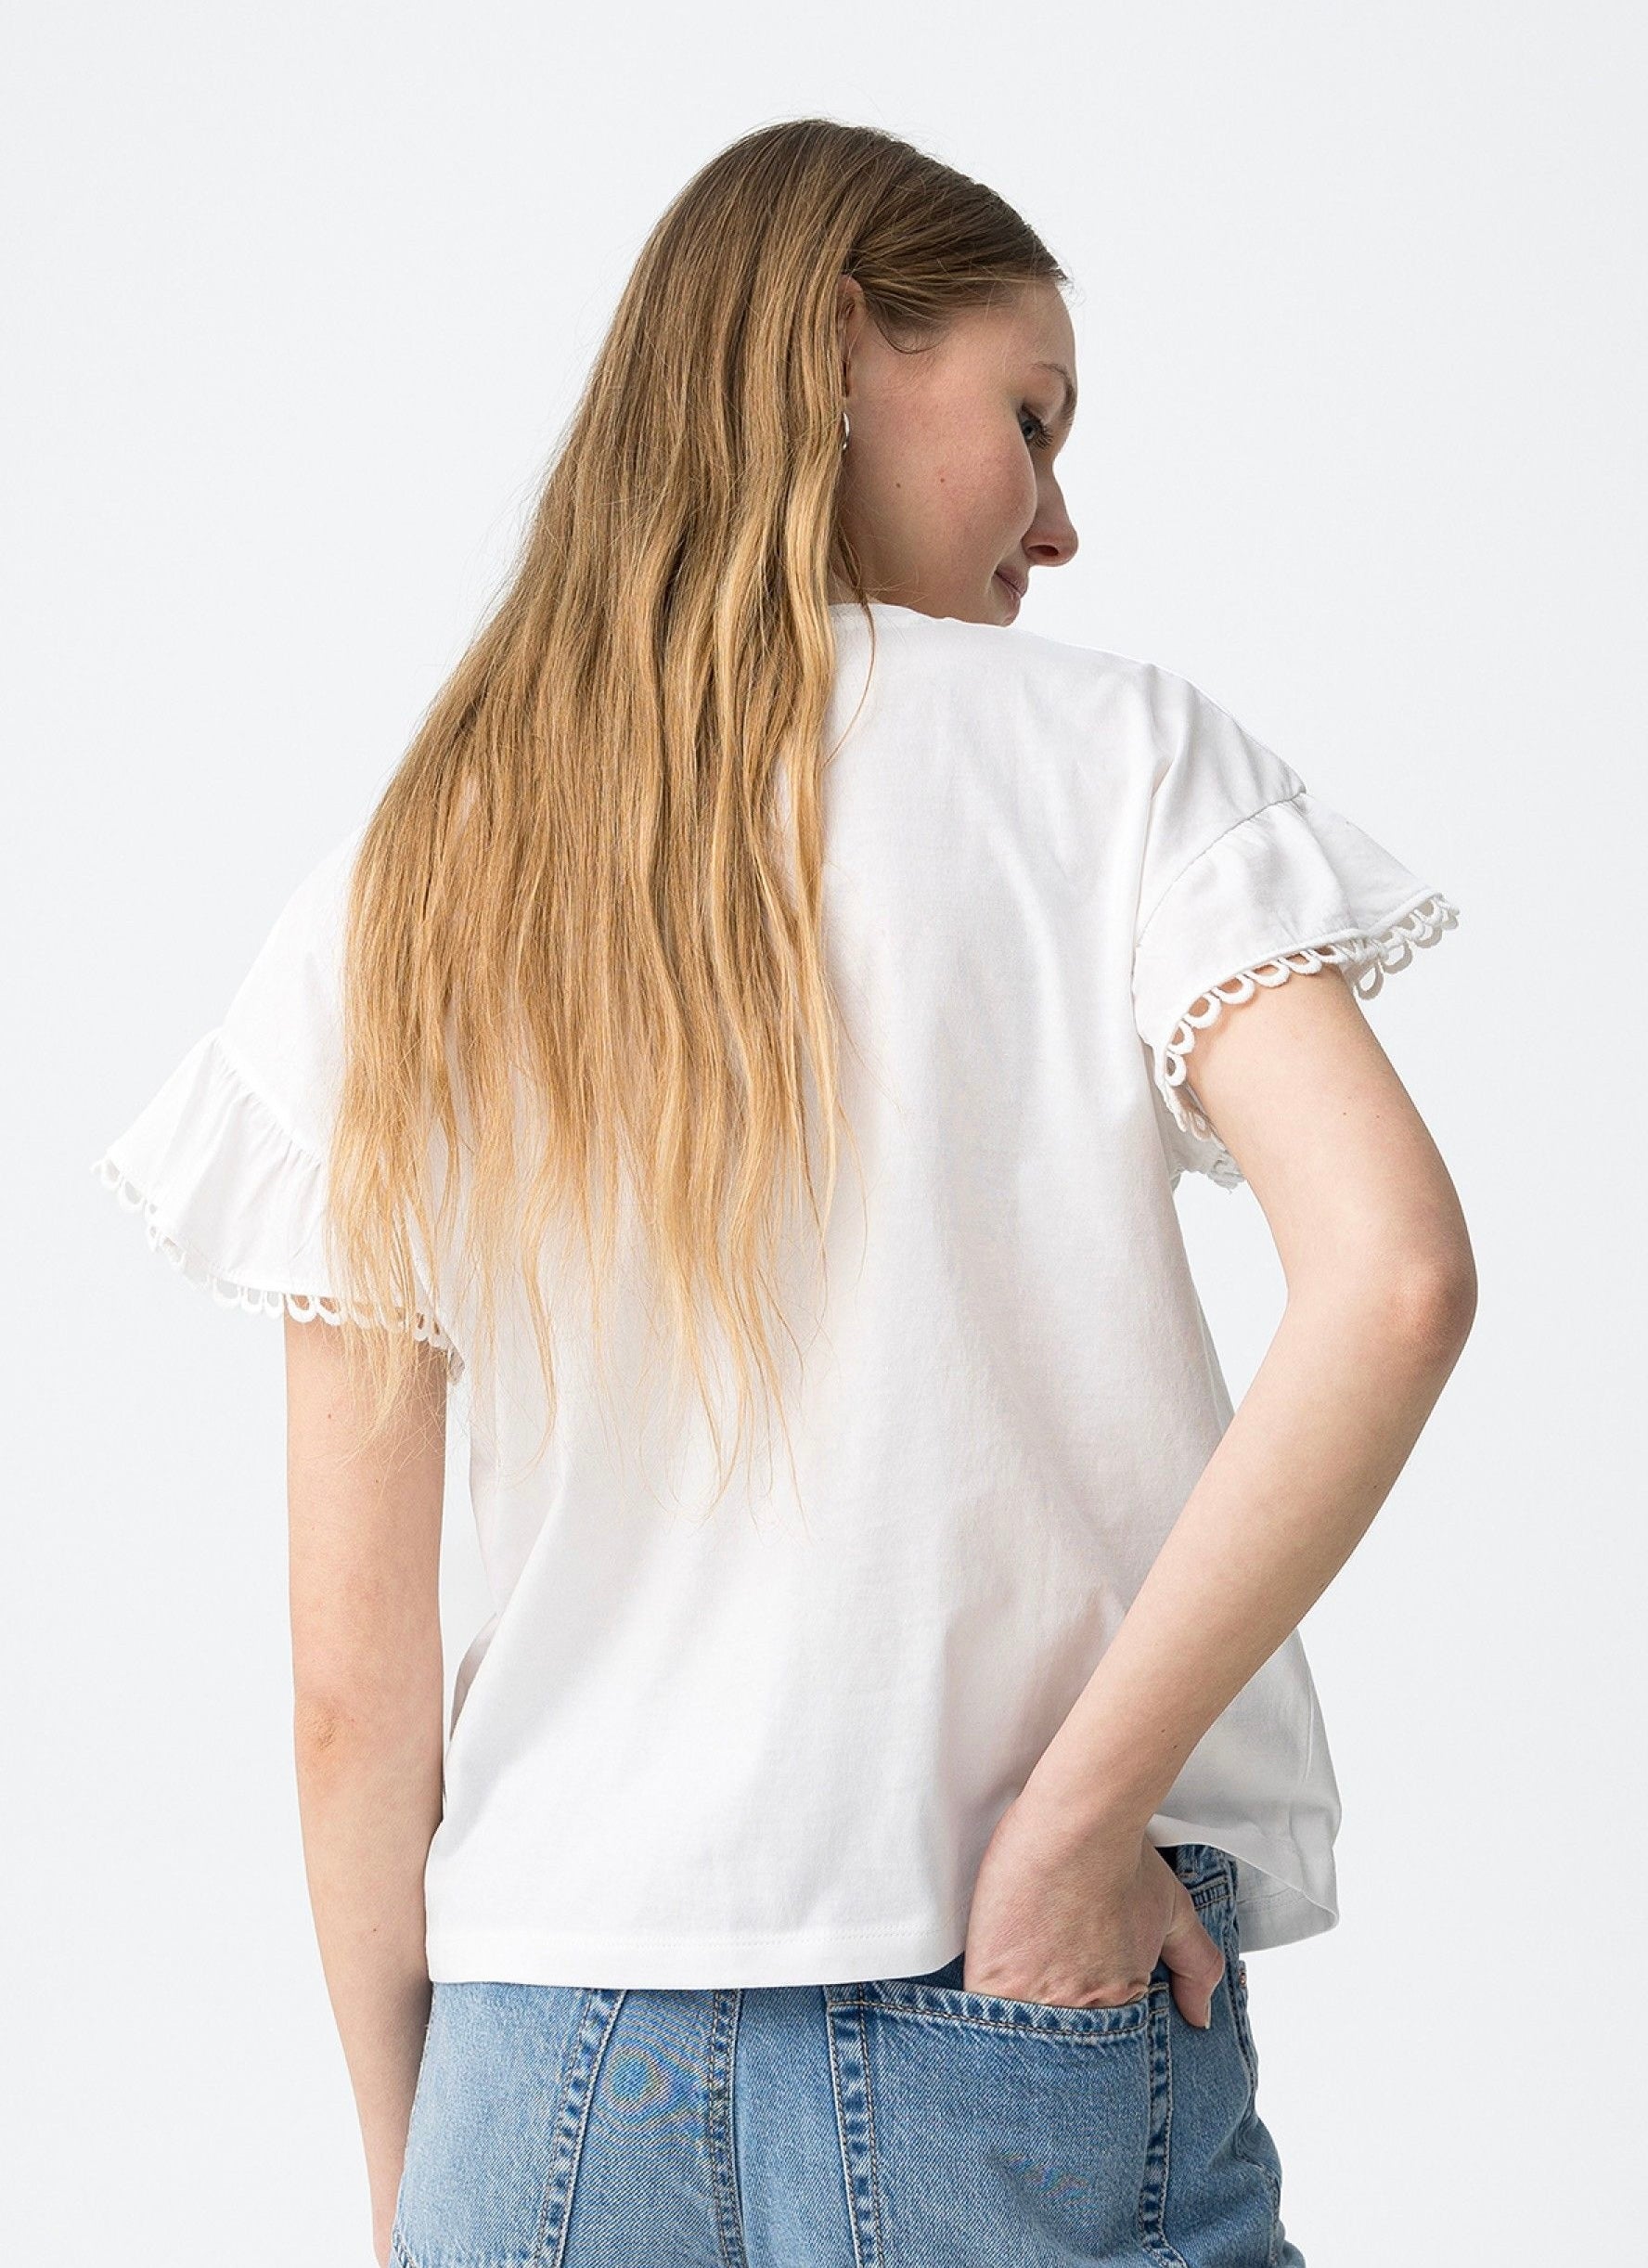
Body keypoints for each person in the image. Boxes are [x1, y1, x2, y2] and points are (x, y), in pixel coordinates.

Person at [91, 117, 1475, 2268]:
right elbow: (1392, 1277)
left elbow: (351, 1686)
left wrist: (410, 2165)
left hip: (538, 2063)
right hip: (1005, 2008)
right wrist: (1076, 1826)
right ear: (840, 346)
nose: (1062, 521)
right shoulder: (1114, 764)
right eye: (1032, 418)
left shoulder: (421, 874)